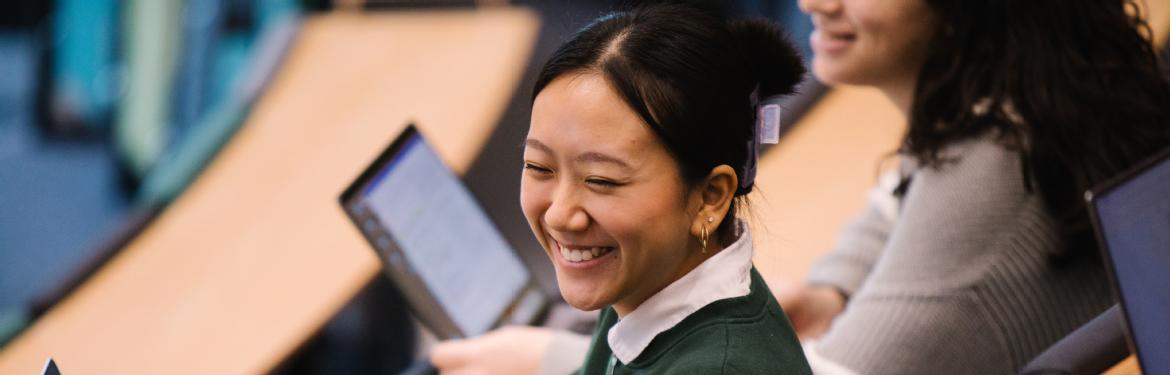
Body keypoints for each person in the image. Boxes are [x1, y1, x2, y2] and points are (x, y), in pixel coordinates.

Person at [434, 0, 1170, 373]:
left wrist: (545, 358)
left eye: (600, 178)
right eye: (538, 168)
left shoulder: (994, 179)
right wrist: (830, 291)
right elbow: (893, 207)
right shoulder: (1002, 112)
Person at [432, 2, 813, 374]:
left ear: (710, 197)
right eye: (538, 167)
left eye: (601, 181)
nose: (560, 214)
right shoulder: (641, 286)